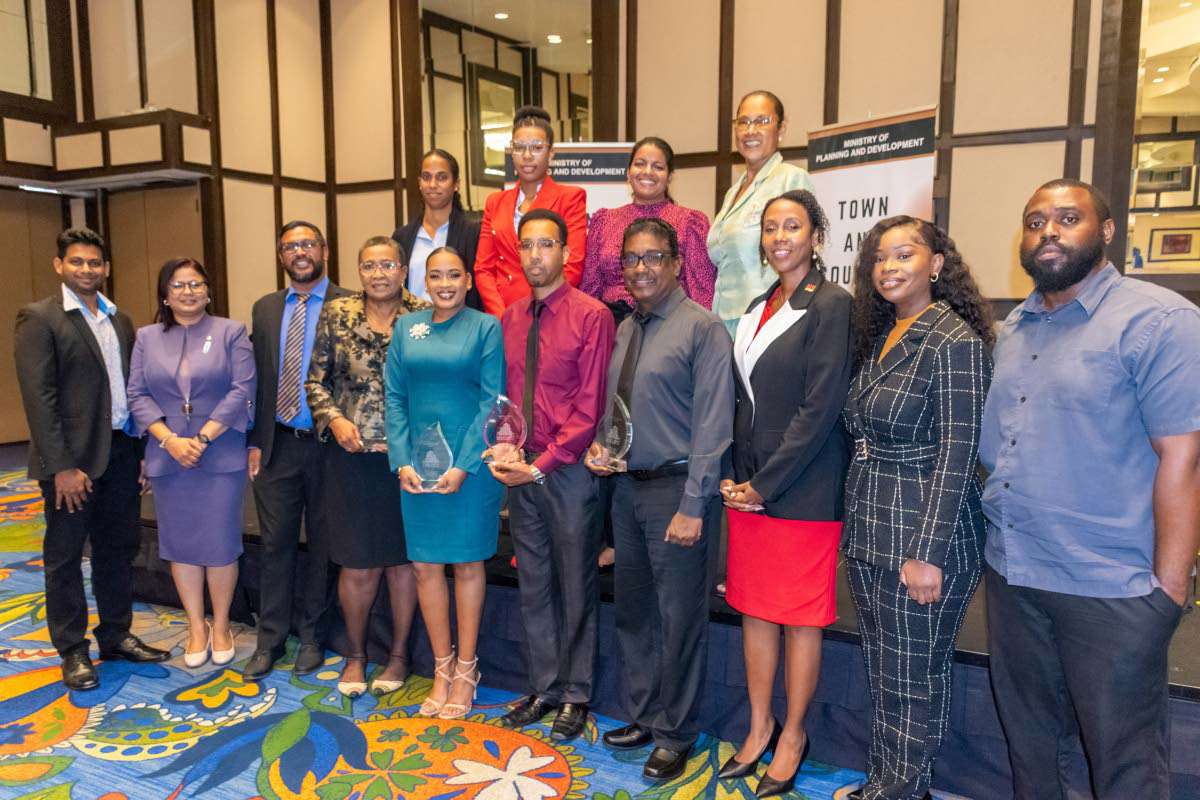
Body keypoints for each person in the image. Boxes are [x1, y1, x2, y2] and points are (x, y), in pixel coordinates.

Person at [982, 180, 1200, 800]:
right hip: (1015, 575)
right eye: (1035, 222)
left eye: (1068, 218)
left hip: (1112, 587)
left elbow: (1184, 460)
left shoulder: (1160, 321)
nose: (1048, 231)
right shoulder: (1013, 329)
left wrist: (1168, 592)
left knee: (1123, 765)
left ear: (1106, 231)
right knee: (1033, 753)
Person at [842, 216, 994, 800]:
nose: (889, 268)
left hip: (924, 540)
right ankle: (892, 782)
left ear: (936, 264)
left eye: (904, 255)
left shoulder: (954, 341)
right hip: (872, 528)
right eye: (880, 258)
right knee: (886, 671)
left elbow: (959, 456)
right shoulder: (886, 330)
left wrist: (926, 554)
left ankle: (899, 789)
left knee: (912, 678)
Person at [587, 217, 734, 782]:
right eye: (631, 259)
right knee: (635, 614)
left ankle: (675, 733)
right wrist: (602, 446)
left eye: (653, 257)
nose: (641, 268)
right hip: (627, 489)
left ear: (676, 264)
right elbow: (620, 410)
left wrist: (694, 505)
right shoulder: (628, 328)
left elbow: (713, 426)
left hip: (678, 492)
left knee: (678, 621)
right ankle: (645, 715)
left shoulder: (703, 328)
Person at [718, 190, 852, 798]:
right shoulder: (757, 304)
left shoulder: (832, 304)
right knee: (754, 612)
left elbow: (820, 408)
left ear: (816, 236)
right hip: (749, 488)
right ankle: (758, 726)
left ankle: (794, 735)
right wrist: (735, 475)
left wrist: (764, 485)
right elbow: (742, 401)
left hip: (802, 490)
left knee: (799, 621)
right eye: (770, 228)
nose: (779, 238)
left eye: (792, 226)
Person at [13, 227, 170, 690]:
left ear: (106, 268)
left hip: (120, 452)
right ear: (59, 265)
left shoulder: (119, 319)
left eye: (94, 262)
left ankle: (116, 634)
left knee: (118, 550)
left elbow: (130, 390)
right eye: (77, 261)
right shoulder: (39, 318)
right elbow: (39, 400)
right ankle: (72, 649)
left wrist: (140, 452)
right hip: (71, 463)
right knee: (65, 556)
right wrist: (62, 466)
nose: (87, 269)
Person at [487, 208, 615, 741]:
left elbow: (590, 409)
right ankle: (544, 686)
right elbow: (505, 398)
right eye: (527, 245)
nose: (536, 254)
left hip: (567, 473)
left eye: (546, 244)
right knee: (535, 582)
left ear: (565, 252)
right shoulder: (511, 318)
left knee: (575, 583)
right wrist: (505, 446)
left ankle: (576, 694)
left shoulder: (592, 316)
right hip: (524, 469)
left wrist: (538, 468)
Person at [386, 245, 505, 720]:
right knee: (424, 567)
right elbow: (395, 397)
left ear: (469, 280)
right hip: (416, 467)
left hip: (468, 469)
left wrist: (465, 464)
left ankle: (467, 669)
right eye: (435, 276)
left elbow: (493, 401)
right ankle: (441, 667)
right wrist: (401, 460)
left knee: (468, 565)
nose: (445, 284)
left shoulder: (485, 327)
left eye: (454, 275)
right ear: (424, 282)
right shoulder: (406, 328)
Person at [305, 236, 425, 697]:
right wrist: (334, 419)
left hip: (409, 460)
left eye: (387, 265)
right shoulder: (337, 313)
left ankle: (399, 656)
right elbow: (315, 382)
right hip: (351, 459)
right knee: (357, 566)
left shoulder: (424, 314)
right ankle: (356, 655)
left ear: (402, 271)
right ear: (359, 271)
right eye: (369, 266)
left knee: (403, 565)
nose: (379, 274)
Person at [127, 258, 255, 669]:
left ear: (208, 290)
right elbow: (137, 395)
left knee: (220, 544)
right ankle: (196, 625)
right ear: (165, 295)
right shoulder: (146, 338)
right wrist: (169, 440)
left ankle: (222, 625)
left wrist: (200, 439)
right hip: (169, 455)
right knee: (180, 544)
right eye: (179, 285)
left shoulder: (231, 331)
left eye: (196, 284)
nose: (188, 292)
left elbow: (242, 389)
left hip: (219, 452)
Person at [244, 220, 353, 681]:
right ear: (281, 255)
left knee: (324, 546)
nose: (300, 252)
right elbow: (258, 379)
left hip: (331, 447)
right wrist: (254, 440)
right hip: (279, 445)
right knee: (275, 545)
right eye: (291, 246)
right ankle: (269, 639)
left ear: (324, 249)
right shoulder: (266, 308)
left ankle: (312, 636)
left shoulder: (351, 303)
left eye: (308, 244)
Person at [708, 90, 816, 333]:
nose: (750, 130)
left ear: (781, 129)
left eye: (762, 121)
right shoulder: (732, 192)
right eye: (743, 122)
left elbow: (804, 258)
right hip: (724, 321)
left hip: (769, 317)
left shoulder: (791, 179)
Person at [581, 136, 717, 317]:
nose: (647, 172)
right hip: (612, 324)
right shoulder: (604, 221)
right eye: (640, 164)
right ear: (628, 172)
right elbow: (590, 288)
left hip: (669, 322)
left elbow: (702, 292)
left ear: (669, 177)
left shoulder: (690, 222)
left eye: (658, 167)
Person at [475, 105, 587, 316]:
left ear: (551, 154)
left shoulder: (570, 198)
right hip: (502, 313)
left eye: (537, 147)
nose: (527, 155)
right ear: (512, 152)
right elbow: (483, 269)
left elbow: (573, 265)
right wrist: (502, 315)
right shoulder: (495, 202)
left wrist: (536, 311)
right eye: (519, 147)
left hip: (549, 311)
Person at [392, 148, 483, 309]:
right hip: (412, 322)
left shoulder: (474, 234)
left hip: (460, 322)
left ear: (456, 184)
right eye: (426, 177)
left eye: (442, 177)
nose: (433, 185)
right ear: (419, 183)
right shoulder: (402, 237)